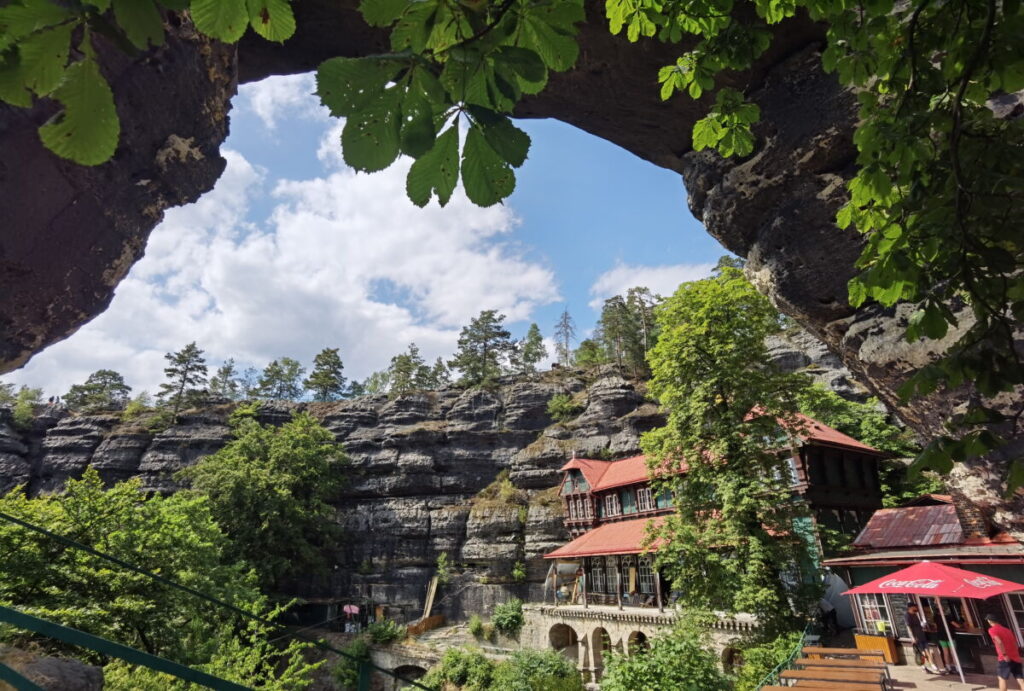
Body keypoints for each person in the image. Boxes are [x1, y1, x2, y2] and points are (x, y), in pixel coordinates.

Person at [986, 614, 1024, 691]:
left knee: (1002, 678)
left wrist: (1004, 654)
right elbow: (1015, 643)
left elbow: (999, 641)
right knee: (1020, 678)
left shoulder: (992, 630)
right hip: (1015, 656)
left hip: (1004, 658)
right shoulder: (1007, 630)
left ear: (989, 621)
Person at [906, 603, 943, 674]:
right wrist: (913, 637)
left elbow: (918, 625)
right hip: (916, 637)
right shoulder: (907, 616)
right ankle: (924, 667)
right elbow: (908, 627)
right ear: (910, 608)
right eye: (915, 607)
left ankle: (932, 665)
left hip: (922, 635)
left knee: (927, 650)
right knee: (922, 652)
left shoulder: (915, 614)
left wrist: (923, 626)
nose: (916, 608)